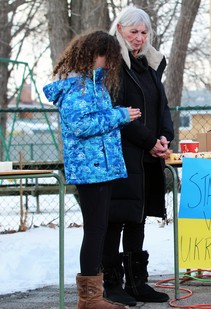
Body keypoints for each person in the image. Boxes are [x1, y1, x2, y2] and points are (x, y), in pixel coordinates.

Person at [43, 30, 141, 309]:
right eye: (106, 57)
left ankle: (93, 296)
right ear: (91, 54)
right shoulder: (77, 87)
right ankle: (90, 299)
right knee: (95, 230)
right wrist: (119, 115)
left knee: (98, 229)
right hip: (90, 170)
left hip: (101, 168)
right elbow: (80, 126)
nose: (109, 64)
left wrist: (117, 117)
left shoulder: (93, 85)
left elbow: (95, 120)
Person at [102, 6, 174, 306]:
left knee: (138, 219)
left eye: (144, 33)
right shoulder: (111, 66)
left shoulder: (148, 66)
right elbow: (117, 113)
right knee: (115, 220)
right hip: (121, 157)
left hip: (146, 157)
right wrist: (148, 141)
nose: (139, 38)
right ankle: (111, 282)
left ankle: (137, 282)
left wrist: (164, 137)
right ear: (119, 30)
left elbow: (161, 107)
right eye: (134, 32)